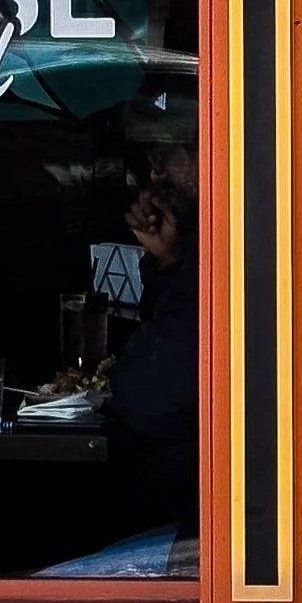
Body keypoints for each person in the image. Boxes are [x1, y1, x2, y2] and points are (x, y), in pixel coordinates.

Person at [106, 139, 196, 535]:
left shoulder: (232, 233)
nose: (156, 175)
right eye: (151, 160)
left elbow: (158, 395)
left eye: (165, 157)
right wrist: (167, 259)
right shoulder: (194, 251)